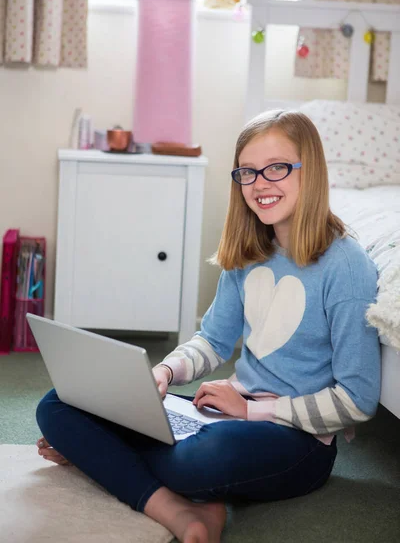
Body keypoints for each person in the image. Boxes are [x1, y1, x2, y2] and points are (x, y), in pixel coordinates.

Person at [36, 110, 381, 543]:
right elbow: (213, 341)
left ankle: (109, 463)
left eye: (276, 167)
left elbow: (358, 399)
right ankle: (173, 503)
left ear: (309, 171)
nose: (260, 184)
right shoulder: (252, 247)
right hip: (225, 413)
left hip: (299, 441)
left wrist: (252, 410)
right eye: (248, 172)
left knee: (197, 460)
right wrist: (163, 373)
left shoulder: (347, 267)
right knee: (58, 403)